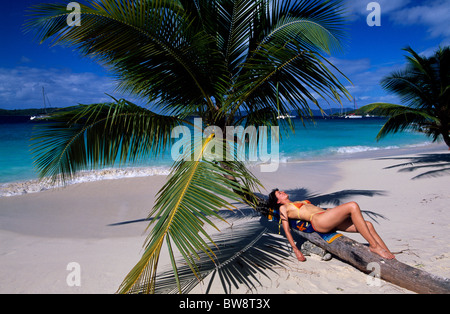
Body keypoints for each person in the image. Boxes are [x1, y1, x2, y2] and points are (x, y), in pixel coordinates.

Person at [266, 189, 395, 261]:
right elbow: (287, 229)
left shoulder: (298, 201)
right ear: (278, 201)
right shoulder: (284, 208)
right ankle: (374, 246)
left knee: (368, 225)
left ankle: (388, 253)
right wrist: (296, 250)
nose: (282, 192)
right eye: (279, 193)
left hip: (327, 218)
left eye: (281, 191)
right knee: (352, 205)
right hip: (319, 221)